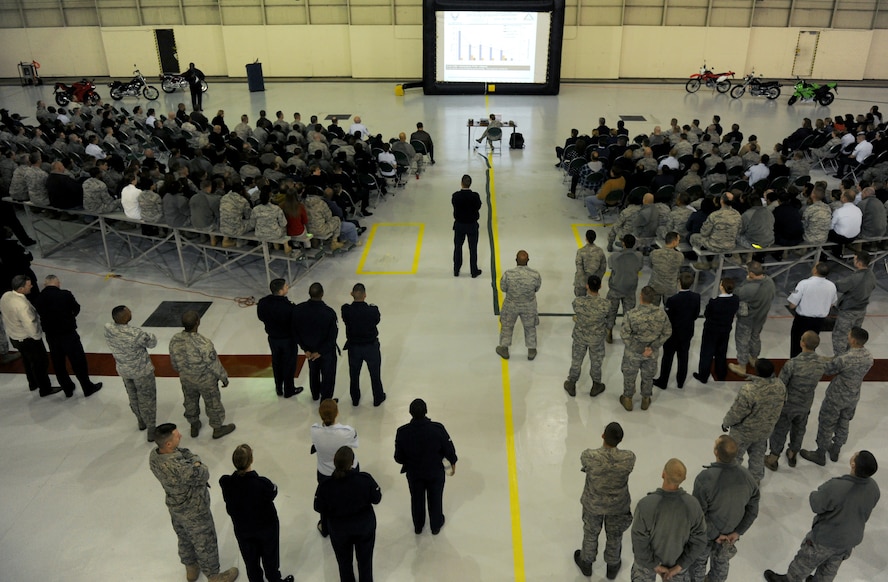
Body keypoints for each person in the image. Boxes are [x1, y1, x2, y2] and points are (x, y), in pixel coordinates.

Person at [763, 450, 880, 582]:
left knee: (805, 561)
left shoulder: (837, 486)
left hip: (827, 538)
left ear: (853, 464)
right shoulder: (874, 488)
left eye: (855, 454)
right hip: (849, 540)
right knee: (830, 568)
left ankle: (790, 580)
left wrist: (816, 493)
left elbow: (816, 504)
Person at [149, 423, 239, 582]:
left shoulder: (154, 456)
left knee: (184, 538)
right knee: (205, 542)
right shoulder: (181, 467)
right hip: (195, 510)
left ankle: (191, 569)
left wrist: (191, 460)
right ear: (169, 444)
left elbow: (183, 452)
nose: (181, 436)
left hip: (175, 507)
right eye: (177, 436)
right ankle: (214, 577)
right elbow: (203, 472)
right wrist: (196, 461)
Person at [219, 444, 293, 582]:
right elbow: (273, 491)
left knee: (251, 562)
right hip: (266, 529)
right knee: (270, 558)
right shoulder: (262, 484)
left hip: (243, 530)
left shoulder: (226, 482)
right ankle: (274, 579)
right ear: (251, 460)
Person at [800, 326, 874, 466]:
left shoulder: (845, 359)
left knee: (827, 423)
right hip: (853, 396)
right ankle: (836, 449)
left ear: (853, 340)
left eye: (849, 335)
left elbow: (828, 370)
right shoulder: (869, 357)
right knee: (844, 422)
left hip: (837, 396)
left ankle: (820, 454)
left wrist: (817, 359)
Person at [691, 435, 760, 582]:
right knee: (721, 564)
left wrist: (714, 534)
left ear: (716, 452)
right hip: (729, 536)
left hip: (706, 535)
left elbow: (698, 515)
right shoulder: (748, 477)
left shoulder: (704, 479)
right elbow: (753, 510)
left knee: (697, 565)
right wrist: (738, 531)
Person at [574, 422, 636, 579]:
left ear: (603, 436)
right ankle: (613, 566)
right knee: (615, 535)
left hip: (593, 504)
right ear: (620, 440)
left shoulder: (589, 456)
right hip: (618, 506)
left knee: (590, 532)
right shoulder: (629, 458)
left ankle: (586, 563)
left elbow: (585, 464)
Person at [630, 458, 708, 582]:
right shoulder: (693, 505)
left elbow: (639, 540)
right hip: (677, 565)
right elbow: (700, 540)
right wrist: (679, 566)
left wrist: (654, 565)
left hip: (646, 565)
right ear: (684, 479)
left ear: (663, 474)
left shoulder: (645, 505)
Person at [314, 446, 381, 582]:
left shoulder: (326, 486)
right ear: (352, 463)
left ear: (334, 461)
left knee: (344, 563)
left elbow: (318, 507)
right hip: (364, 527)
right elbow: (377, 498)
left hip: (339, 530)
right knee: (365, 561)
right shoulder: (365, 479)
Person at [766, 331, 828, 471]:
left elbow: (781, 384)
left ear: (802, 343)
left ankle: (773, 457)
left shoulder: (793, 364)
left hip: (788, 405)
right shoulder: (821, 363)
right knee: (799, 429)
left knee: (780, 430)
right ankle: (793, 454)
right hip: (805, 404)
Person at [168, 310, 236, 440]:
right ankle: (217, 428)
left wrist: (183, 372)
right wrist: (223, 377)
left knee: (190, 401)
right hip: (205, 381)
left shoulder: (175, 340)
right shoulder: (204, 343)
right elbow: (213, 364)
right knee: (213, 404)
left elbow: (174, 361)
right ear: (198, 322)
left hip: (186, 378)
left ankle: (194, 425)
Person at [394, 398, 458, 535]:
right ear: (426, 411)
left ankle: (418, 525)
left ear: (410, 413)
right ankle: (436, 525)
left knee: (416, 499)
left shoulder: (402, 432)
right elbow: (449, 449)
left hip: (414, 473)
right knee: (435, 497)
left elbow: (398, 458)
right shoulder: (437, 429)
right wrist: (452, 462)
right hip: (435, 472)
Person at [33, 275, 102, 398]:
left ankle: (67, 388)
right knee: (78, 361)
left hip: (51, 336)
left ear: (45, 284)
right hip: (68, 334)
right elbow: (76, 308)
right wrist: (69, 317)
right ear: (58, 283)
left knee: (58, 363)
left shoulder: (38, 298)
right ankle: (87, 387)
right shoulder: (65, 295)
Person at [721, 359, 786, 484]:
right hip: (765, 430)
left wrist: (726, 423)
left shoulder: (749, 390)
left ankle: (730, 483)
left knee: (734, 457)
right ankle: (755, 481)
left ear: (756, 371)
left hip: (743, 432)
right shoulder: (780, 386)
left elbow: (737, 413)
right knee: (758, 455)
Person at [0, 274, 61, 397]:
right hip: (28, 339)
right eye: (29, 285)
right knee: (40, 363)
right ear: (21, 289)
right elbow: (30, 325)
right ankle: (45, 389)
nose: (32, 286)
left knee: (27, 361)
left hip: (14, 336)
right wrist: (37, 338)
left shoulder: (6, 296)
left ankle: (32, 383)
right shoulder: (23, 306)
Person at [104, 305, 157, 440]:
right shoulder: (135, 333)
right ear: (126, 317)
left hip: (124, 370)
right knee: (147, 399)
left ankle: (140, 420)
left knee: (133, 396)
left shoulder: (108, 328)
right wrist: (151, 336)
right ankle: (151, 428)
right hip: (141, 372)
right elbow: (151, 343)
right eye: (129, 312)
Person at [311, 398, 360, 537]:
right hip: (348, 469)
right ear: (337, 413)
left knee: (326, 499)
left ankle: (325, 527)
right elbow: (355, 444)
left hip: (325, 472)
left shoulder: (314, 430)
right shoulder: (347, 431)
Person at [620, 286, 671, 411]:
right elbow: (667, 332)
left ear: (640, 296)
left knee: (629, 376)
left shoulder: (631, 314)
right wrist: (653, 346)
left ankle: (628, 399)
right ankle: (645, 400)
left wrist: (639, 349)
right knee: (648, 377)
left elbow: (625, 334)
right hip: (651, 354)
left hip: (633, 354)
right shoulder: (661, 314)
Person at [564, 275, 611, 398]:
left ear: (587, 286)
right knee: (596, 362)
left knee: (576, 360)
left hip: (580, 337)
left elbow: (578, 312)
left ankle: (572, 383)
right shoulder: (605, 305)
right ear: (600, 286)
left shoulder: (578, 302)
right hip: (596, 339)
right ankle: (596, 385)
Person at [256, 279, 303, 398]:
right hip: (287, 340)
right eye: (286, 286)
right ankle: (289, 389)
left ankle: (278, 388)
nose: (288, 287)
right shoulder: (288, 307)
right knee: (289, 364)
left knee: (277, 363)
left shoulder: (263, 303)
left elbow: (261, 317)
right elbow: (295, 322)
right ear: (281, 290)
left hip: (273, 339)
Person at [727, 262, 776, 376]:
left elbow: (736, 294)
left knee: (742, 341)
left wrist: (747, 281)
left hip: (747, 319)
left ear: (751, 273)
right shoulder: (769, 282)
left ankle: (742, 366)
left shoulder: (749, 288)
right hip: (761, 317)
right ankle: (754, 358)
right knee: (755, 338)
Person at [654, 271, 701, 390]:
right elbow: (696, 315)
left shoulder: (673, 300)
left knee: (667, 357)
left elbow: (668, 318)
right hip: (687, 332)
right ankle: (680, 381)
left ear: (679, 282)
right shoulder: (696, 297)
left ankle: (663, 381)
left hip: (673, 334)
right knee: (683, 356)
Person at [341, 283, 385, 407]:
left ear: (352, 294)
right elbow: (377, 320)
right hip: (370, 347)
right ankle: (378, 397)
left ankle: (355, 398)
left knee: (354, 375)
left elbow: (345, 318)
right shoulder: (372, 311)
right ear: (365, 295)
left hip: (354, 347)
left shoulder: (346, 310)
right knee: (375, 374)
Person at [293, 282, 339, 401]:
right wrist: (321, 351)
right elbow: (332, 336)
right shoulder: (329, 313)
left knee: (313, 372)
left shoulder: (298, 310)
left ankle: (315, 394)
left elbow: (295, 331)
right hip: (326, 352)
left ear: (309, 294)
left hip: (309, 350)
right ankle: (326, 400)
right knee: (328, 375)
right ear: (322, 294)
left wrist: (305, 349)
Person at [496, 250, 542, 361]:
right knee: (530, 327)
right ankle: (531, 350)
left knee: (507, 326)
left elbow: (503, 288)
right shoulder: (535, 275)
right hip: (529, 305)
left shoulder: (508, 274)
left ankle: (504, 349)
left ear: (516, 260)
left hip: (511, 304)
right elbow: (537, 288)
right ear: (528, 261)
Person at [693, 278, 739, 384]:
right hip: (725, 330)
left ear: (721, 287)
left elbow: (707, 314)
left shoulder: (714, 302)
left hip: (711, 331)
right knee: (721, 353)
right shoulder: (735, 299)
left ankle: (703, 376)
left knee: (707, 353)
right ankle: (721, 374)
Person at [787, 263, 837, 358]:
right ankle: (808, 362)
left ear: (815, 271)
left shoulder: (803, 283)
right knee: (811, 344)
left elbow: (792, 304)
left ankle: (795, 364)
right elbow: (832, 303)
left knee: (797, 344)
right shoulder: (831, 286)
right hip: (819, 321)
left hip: (802, 320)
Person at [831, 251, 875, 356]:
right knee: (854, 336)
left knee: (840, 336)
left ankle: (840, 360)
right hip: (861, 310)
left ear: (859, 263)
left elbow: (841, 286)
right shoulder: (871, 275)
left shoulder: (855, 278)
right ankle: (850, 356)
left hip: (849, 311)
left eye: (854, 259)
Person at [605, 234, 643, 344]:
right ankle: (626, 334)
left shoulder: (614, 257)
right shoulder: (639, 256)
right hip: (630, 290)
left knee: (611, 311)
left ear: (623, 243)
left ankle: (609, 331)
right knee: (629, 313)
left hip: (615, 288)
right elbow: (639, 267)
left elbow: (611, 267)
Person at [451, 174, 482, 278]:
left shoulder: (455, 196)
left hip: (459, 225)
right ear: (470, 184)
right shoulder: (475, 196)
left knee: (458, 247)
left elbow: (454, 205)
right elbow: (478, 206)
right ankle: (474, 271)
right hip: (472, 225)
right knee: (473, 249)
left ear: (461, 183)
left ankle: (456, 269)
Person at [647, 232, 684, 304]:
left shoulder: (654, 253)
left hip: (655, 285)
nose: (679, 242)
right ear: (674, 242)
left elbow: (650, 266)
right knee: (669, 311)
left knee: (653, 309)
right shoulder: (679, 256)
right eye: (678, 240)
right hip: (670, 288)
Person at [574, 229, 606, 298]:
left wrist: (583, 281)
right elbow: (603, 268)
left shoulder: (581, 251)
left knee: (580, 301)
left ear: (586, 238)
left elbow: (579, 267)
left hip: (582, 283)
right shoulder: (600, 251)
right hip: (594, 283)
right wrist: (596, 280)